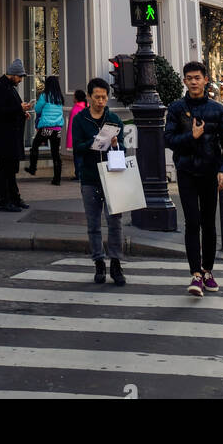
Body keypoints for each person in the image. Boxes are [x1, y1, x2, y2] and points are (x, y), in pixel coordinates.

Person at [163, 60, 223, 297]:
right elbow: (169, 140)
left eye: (197, 77)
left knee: (208, 223)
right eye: (189, 78)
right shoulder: (176, 108)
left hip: (210, 173)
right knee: (192, 222)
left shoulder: (217, 109)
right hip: (186, 172)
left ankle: (207, 271)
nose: (193, 82)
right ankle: (195, 274)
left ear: (205, 80)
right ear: (184, 81)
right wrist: (191, 137)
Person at [71, 77, 126, 287]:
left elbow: (123, 148)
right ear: (89, 97)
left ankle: (116, 263)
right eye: (97, 97)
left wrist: (115, 143)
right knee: (93, 223)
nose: (101, 101)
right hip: (90, 176)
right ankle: (98, 262)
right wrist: (94, 142)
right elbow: (76, 147)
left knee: (115, 222)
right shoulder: (80, 119)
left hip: (112, 176)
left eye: (104, 97)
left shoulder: (113, 119)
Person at [0, 59, 32, 212]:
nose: (20, 80)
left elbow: (10, 109)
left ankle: (14, 198)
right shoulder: (1, 87)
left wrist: (22, 111)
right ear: (13, 74)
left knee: (9, 170)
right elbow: (2, 111)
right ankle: (4, 201)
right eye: (20, 76)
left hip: (9, 136)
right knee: (4, 170)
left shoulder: (8, 86)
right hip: (5, 137)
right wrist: (19, 108)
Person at [26, 75, 65, 184]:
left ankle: (32, 168)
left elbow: (37, 109)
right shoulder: (59, 97)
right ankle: (57, 179)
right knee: (55, 154)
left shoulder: (45, 95)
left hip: (46, 128)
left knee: (34, 147)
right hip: (57, 129)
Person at [66, 88, 87, 180]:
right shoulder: (87, 107)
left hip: (77, 138)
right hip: (85, 137)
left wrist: (71, 140)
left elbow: (72, 127)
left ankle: (78, 174)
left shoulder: (76, 109)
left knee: (77, 157)